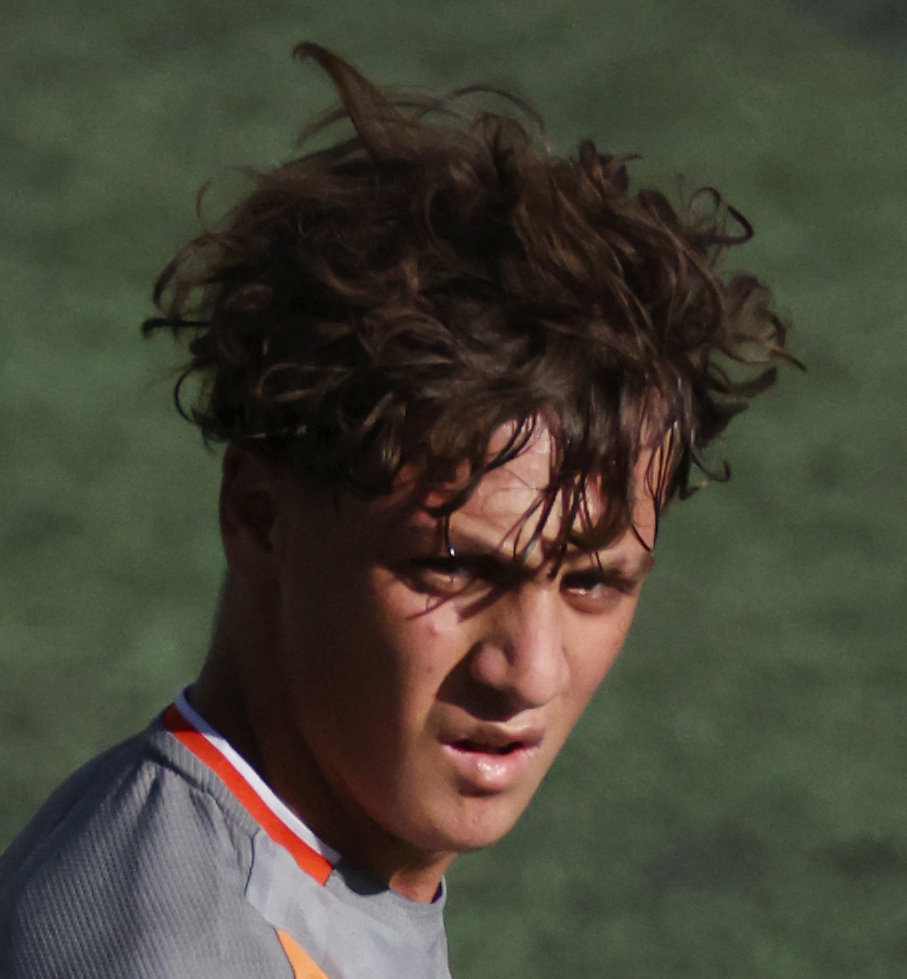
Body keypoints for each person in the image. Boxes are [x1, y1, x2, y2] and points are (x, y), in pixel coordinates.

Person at [0, 42, 797, 979]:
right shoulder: (172, 952)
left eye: (592, 581)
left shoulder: (305, 877)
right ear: (259, 517)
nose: (529, 671)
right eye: (451, 565)